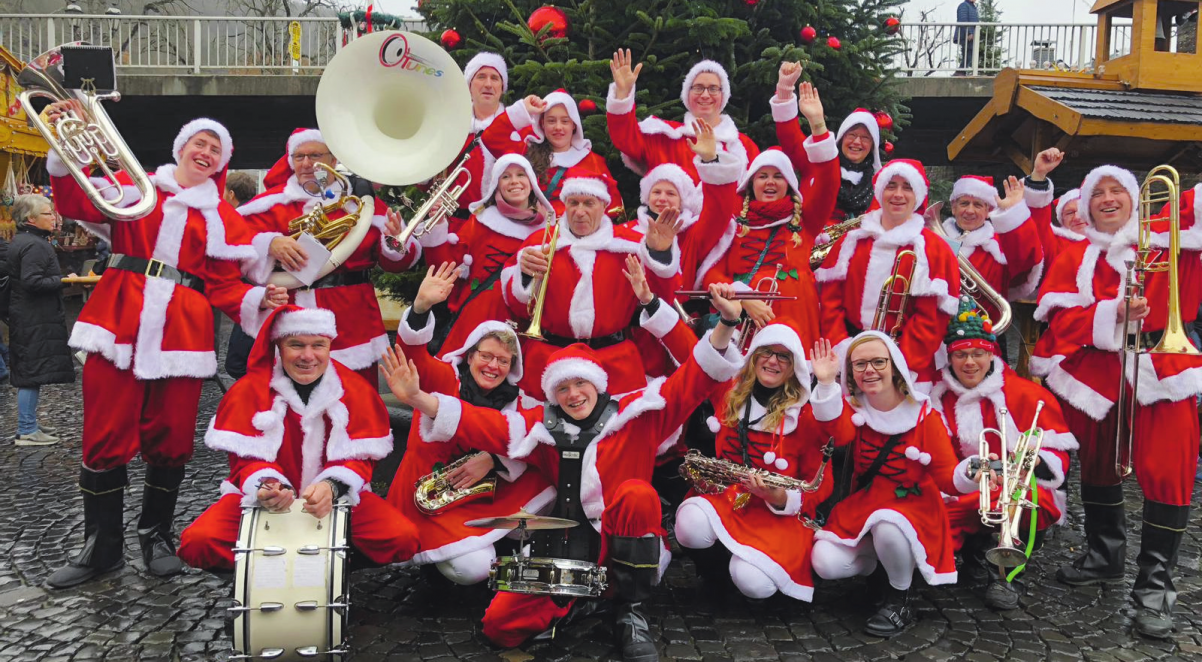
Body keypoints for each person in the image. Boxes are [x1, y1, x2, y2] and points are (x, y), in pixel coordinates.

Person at [385, 282, 744, 660]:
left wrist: (726, 322)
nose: (573, 395)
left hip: (619, 541)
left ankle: (628, 609)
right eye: (563, 388)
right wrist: (417, 399)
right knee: (499, 628)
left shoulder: (638, 416)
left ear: (598, 384)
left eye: (580, 384)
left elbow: (696, 377)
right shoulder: (540, 428)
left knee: (638, 494)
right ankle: (580, 603)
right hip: (564, 547)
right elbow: (480, 423)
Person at [41, 113, 289, 588]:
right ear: (181, 147)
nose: (207, 153)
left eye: (217, 150)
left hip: (183, 333)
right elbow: (74, 198)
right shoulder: (137, 190)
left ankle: (156, 535)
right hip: (118, 323)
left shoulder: (222, 216)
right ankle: (101, 547)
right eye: (200, 142)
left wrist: (260, 299)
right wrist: (62, 154)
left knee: (172, 437)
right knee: (103, 433)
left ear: (222, 164)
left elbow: (225, 284)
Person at [1031, 165, 1202, 639]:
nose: (1107, 199)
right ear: (1085, 207)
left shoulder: (1174, 238)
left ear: (1135, 199)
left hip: (1164, 367)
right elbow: (1057, 320)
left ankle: (1154, 590)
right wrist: (1112, 313)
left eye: (1117, 191)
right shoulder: (1076, 256)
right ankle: (1104, 556)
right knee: (1100, 466)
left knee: (1169, 473)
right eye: (1097, 194)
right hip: (1099, 374)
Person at [178, 305, 419, 570]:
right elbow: (243, 461)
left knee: (402, 538)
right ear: (279, 346)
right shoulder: (249, 390)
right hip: (261, 501)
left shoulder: (355, 390)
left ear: (330, 346)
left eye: (318, 345)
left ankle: (335, 567)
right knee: (198, 542)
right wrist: (268, 486)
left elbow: (361, 457)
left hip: (337, 500)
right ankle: (260, 569)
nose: (308, 356)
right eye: (296, 345)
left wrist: (333, 486)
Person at [383, 264, 555, 584]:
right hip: (432, 498)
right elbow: (414, 358)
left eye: (503, 361)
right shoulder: (445, 377)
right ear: (470, 355)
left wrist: (493, 458)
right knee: (473, 569)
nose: (493, 366)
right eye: (486, 356)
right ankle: (442, 564)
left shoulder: (515, 400)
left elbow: (537, 437)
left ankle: (495, 548)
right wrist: (420, 308)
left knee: (548, 486)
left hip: (484, 497)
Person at [808, 332, 981, 637]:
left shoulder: (924, 416)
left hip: (913, 509)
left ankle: (900, 597)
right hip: (864, 506)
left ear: (895, 366)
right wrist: (825, 383)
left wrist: (972, 471)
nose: (869, 370)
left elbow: (948, 479)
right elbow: (834, 430)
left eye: (878, 361)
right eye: (860, 364)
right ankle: (880, 571)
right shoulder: (857, 410)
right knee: (825, 562)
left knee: (888, 526)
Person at [238, 128, 420, 385]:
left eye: (315, 155)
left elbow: (397, 263)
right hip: (292, 312)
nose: (306, 163)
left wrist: (394, 241)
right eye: (298, 156)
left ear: (334, 161)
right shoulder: (269, 204)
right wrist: (270, 243)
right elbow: (233, 247)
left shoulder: (361, 203)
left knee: (356, 397)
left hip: (352, 316)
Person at [929, 297, 1078, 610]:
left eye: (978, 354)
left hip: (1012, 488)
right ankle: (969, 551)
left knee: (1029, 503)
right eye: (961, 355)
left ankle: (1008, 574)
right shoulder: (936, 399)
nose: (970, 362)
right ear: (950, 359)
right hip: (960, 490)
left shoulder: (1025, 394)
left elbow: (1056, 449)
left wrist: (1035, 460)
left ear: (991, 353)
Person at [672, 317, 834, 601]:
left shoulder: (806, 417)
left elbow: (822, 483)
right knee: (689, 524)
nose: (773, 361)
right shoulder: (731, 394)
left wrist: (780, 497)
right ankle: (717, 577)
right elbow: (694, 353)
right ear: (753, 356)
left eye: (783, 356)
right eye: (766, 353)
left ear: (794, 366)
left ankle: (760, 578)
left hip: (777, 515)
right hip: (730, 499)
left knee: (754, 584)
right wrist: (651, 303)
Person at [500, 166, 682, 400]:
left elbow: (662, 300)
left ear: (604, 206)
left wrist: (659, 254)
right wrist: (524, 276)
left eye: (589, 203)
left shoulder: (630, 245)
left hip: (614, 362)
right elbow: (516, 307)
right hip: (549, 359)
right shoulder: (538, 243)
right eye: (573, 203)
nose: (579, 212)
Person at [698, 81, 839, 351]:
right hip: (746, 326)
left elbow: (829, 181)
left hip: (798, 320)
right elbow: (711, 272)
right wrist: (743, 297)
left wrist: (818, 126)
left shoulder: (805, 221)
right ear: (751, 183)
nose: (770, 183)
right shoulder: (735, 224)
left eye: (778, 177)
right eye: (763, 176)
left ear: (788, 184)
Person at [814, 159, 961, 392]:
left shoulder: (934, 249)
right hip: (849, 357)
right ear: (880, 190)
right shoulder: (851, 242)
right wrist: (845, 351)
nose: (898, 194)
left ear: (918, 195)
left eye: (907, 187)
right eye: (891, 185)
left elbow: (931, 318)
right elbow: (830, 303)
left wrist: (897, 363)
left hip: (907, 366)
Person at [415, 154, 553, 355]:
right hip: (474, 320)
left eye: (520, 174)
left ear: (531, 182)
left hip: (522, 327)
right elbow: (446, 271)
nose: (514, 181)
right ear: (496, 186)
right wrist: (438, 227)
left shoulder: (549, 230)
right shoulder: (479, 222)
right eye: (505, 177)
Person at [607, 50, 760, 181]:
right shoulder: (665, 138)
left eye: (713, 88)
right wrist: (622, 94)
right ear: (687, 95)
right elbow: (625, 138)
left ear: (723, 95)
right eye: (698, 88)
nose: (705, 95)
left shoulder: (745, 147)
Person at [772, 63, 883, 225]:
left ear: (873, 145)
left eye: (865, 138)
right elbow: (790, 139)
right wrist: (784, 91)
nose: (857, 142)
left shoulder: (879, 183)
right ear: (842, 138)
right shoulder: (817, 164)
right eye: (851, 135)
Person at [482, 90, 623, 216]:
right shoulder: (526, 152)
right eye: (551, 121)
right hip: (527, 233)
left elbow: (613, 207)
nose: (558, 127)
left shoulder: (592, 161)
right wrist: (523, 109)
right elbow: (491, 138)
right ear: (542, 124)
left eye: (565, 121)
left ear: (574, 125)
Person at [6, 194, 74, 446]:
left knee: (30, 372)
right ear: (31, 218)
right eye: (48, 213)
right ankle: (26, 429)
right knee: (30, 375)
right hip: (33, 317)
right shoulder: (34, 245)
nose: (54, 217)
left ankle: (29, 422)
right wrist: (65, 281)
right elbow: (32, 281)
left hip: (30, 316)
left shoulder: (26, 240)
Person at [942, 174, 1044, 323]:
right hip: (937, 336)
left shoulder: (1000, 245)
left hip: (985, 334)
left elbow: (1026, 260)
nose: (970, 211)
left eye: (978, 205)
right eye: (964, 203)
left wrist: (1013, 213)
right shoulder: (935, 241)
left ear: (988, 211)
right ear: (953, 208)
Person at [1022, 148, 1084, 279]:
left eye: (1083, 211)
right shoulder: (1056, 244)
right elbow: (1037, 225)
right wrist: (1038, 175)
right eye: (1070, 213)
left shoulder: (1116, 242)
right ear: (1061, 219)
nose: (1077, 217)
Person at [953, 0, 980, 75]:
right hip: (965, 35)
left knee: (969, 54)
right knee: (968, 54)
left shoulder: (972, 7)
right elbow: (962, 20)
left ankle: (961, 72)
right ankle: (960, 72)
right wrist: (969, 32)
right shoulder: (964, 5)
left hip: (971, 35)